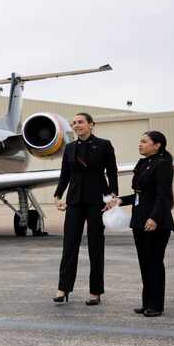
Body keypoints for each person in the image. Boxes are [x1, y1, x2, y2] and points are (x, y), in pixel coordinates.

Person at [53, 112, 118, 305]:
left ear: (91, 124)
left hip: (97, 201)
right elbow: (65, 174)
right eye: (74, 123)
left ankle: (95, 291)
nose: (76, 125)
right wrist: (58, 195)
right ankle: (63, 288)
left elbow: (112, 171)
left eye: (81, 122)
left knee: (95, 246)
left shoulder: (104, 145)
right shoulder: (70, 148)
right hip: (75, 200)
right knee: (69, 245)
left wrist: (112, 195)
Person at [108, 131, 174, 317]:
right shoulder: (142, 163)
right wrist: (120, 200)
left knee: (154, 263)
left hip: (156, 222)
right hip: (139, 221)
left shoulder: (163, 165)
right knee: (145, 263)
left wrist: (154, 218)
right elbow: (140, 194)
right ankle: (147, 303)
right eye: (140, 141)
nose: (140, 144)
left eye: (144, 142)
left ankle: (156, 305)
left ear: (157, 145)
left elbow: (164, 196)